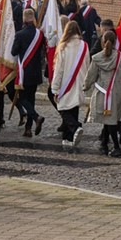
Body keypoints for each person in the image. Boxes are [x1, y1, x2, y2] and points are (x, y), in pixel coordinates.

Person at [84, 29, 121, 156]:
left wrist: (85, 86)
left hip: (102, 92)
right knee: (111, 118)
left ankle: (116, 146)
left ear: (103, 42)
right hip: (117, 92)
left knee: (109, 120)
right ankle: (104, 143)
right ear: (115, 42)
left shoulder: (97, 58)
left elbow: (91, 75)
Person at [49, 18, 90, 149]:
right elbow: (87, 64)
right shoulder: (84, 45)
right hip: (79, 81)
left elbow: (59, 69)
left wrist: (55, 87)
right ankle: (68, 137)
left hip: (66, 82)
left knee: (62, 107)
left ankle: (75, 126)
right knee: (73, 107)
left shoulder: (63, 46)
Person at [10, 7, 48, 136]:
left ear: (24, 19)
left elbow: (13, 52)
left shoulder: (20, 34)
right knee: (31, 99)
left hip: (24, 72)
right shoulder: (40, 34)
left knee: (22, 99)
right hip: (36, 71)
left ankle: (36, 117)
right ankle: (28, 129)